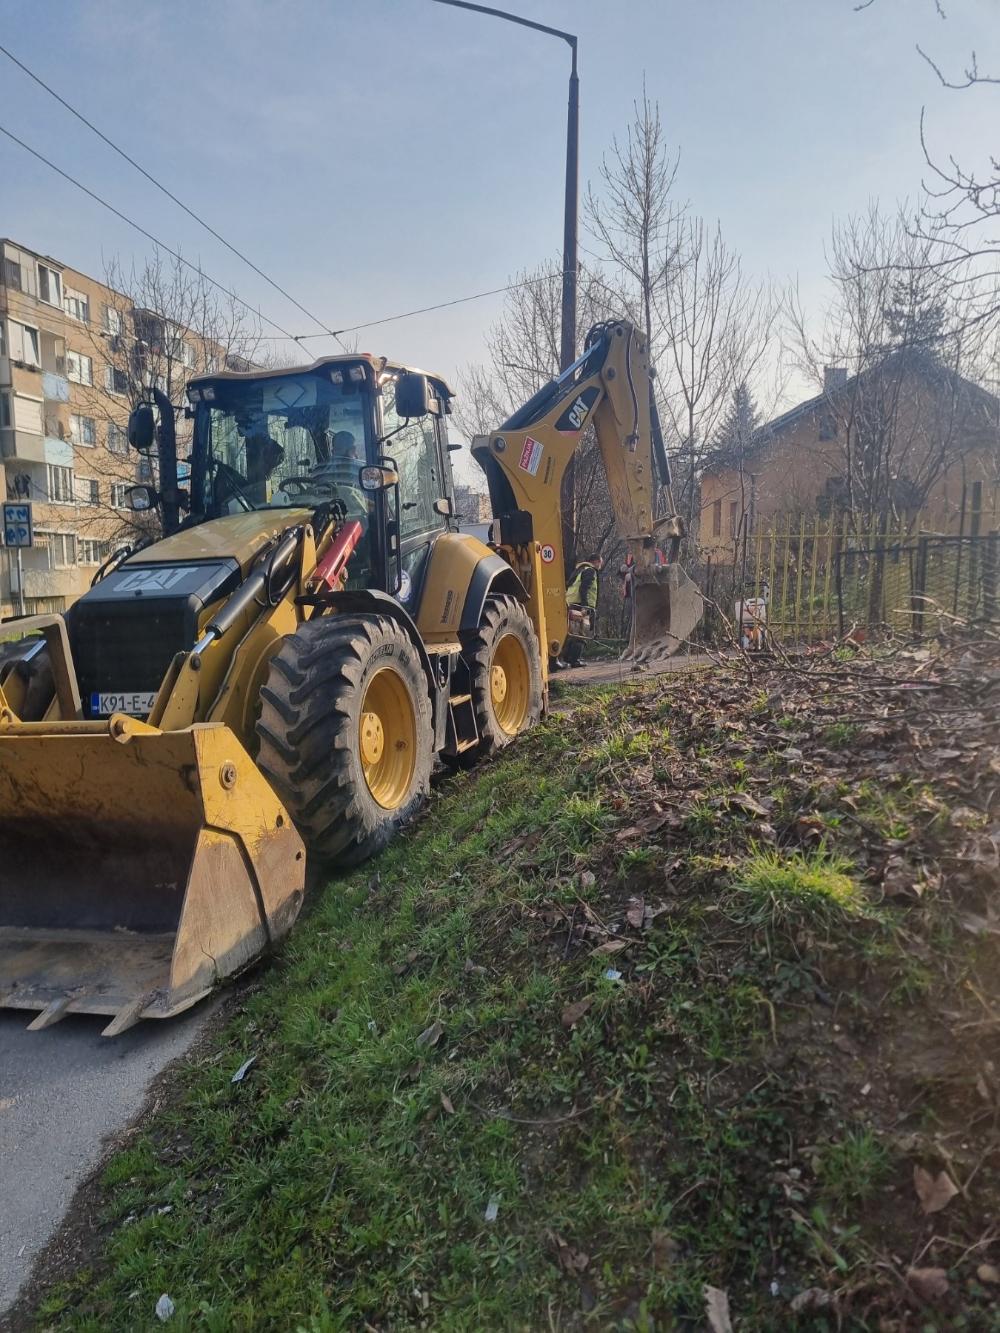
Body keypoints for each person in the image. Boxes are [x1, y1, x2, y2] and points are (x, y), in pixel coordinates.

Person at [561, 554, 603, 667]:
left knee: (571, 633)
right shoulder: (590, 571)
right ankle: (575, 660)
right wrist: (585, 607)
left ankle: (567, 659)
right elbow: (584, 588)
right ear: (596, 561)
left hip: (570, 603)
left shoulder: (579, 570)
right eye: (600, 562)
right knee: (581, 633)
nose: (600, 566)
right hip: (580, 606)